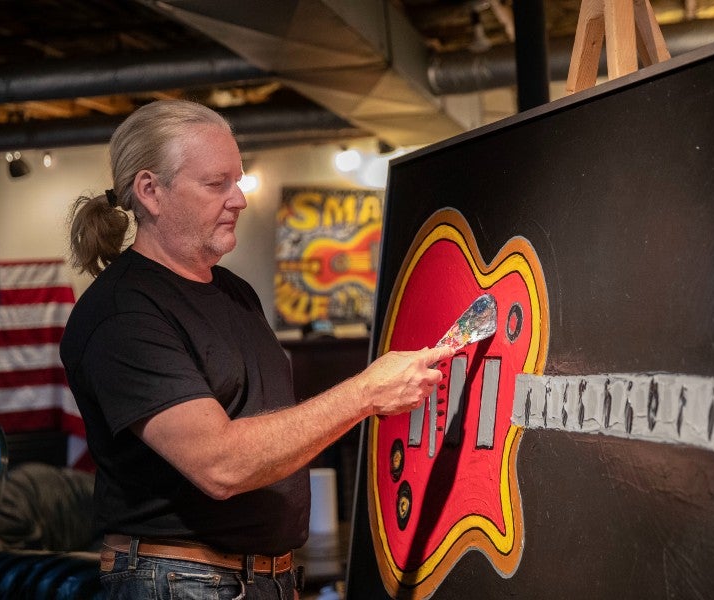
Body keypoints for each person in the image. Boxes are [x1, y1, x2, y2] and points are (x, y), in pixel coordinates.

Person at [59, 99, 453, 600]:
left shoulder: (234, 292)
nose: (239, 198)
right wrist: (366, 393)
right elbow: (221, 465)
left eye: (237, 180)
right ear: (151, 191)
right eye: (216, 183)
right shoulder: (122, 314)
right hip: (181, 583)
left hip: (264, 578)